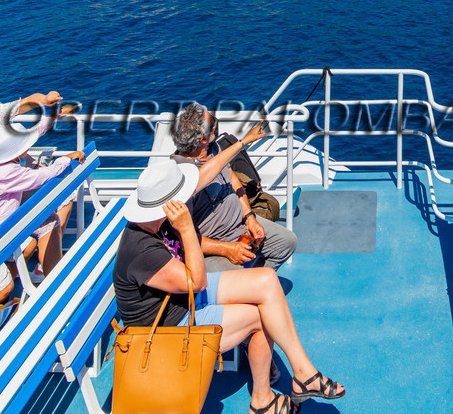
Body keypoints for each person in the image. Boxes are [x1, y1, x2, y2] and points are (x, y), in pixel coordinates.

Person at [115, 159, 346, 414]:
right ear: (167, 204)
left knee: (267, 280)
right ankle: (262, 401)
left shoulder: (160, 221)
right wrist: (186, 228)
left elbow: (205, 176)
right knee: (261, 316)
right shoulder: (142, 249)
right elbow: (198, 281)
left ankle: (303, 373)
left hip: (183, 300)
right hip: (167, 330)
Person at [0, 95, 84, 309]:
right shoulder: (9, 173)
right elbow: (47, 174)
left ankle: (48, 283)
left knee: (47, 222)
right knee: (5, 289)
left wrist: (55, 115)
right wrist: (68, 157)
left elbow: (35, 132)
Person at [169, 105, 295, 272]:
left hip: (241, 227)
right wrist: (227, 249)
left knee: (287, 242)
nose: (216, 124)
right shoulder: (180, 175)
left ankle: (257, 281)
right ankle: (247, 287)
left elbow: (234, 181)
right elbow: (183, 237)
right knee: (238, 278)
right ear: (203, 139)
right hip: (212, 244)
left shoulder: (213, 149)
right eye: (213, 122)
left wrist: (250, 217)